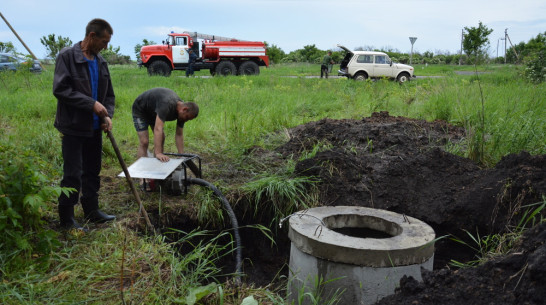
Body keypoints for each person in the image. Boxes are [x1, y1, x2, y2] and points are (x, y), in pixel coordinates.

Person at [53, 18, 116, 231]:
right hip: (73, 125)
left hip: (95, 127)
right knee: (73, 173)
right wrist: (92, 105)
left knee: (92, 170)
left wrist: (108, 115)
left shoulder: (101, 62)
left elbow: (108, 95)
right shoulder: (67, 57)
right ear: (92, 36)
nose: (105, 47)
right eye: (104, 41)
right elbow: (61, 90)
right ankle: (67, 218)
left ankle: (91, 210)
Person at [132, 87, 199, 165]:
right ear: (184, 109)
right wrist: (158, 153)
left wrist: (181, 155)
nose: (186, 120)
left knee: (162, 137)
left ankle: (156, 165)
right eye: (187, 117)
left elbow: (179, 134)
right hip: (141, 109)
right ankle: (142, 174)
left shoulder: (182, 113)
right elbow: (158, 128)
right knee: (144, 141)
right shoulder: (166, 105)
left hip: (153, 111)